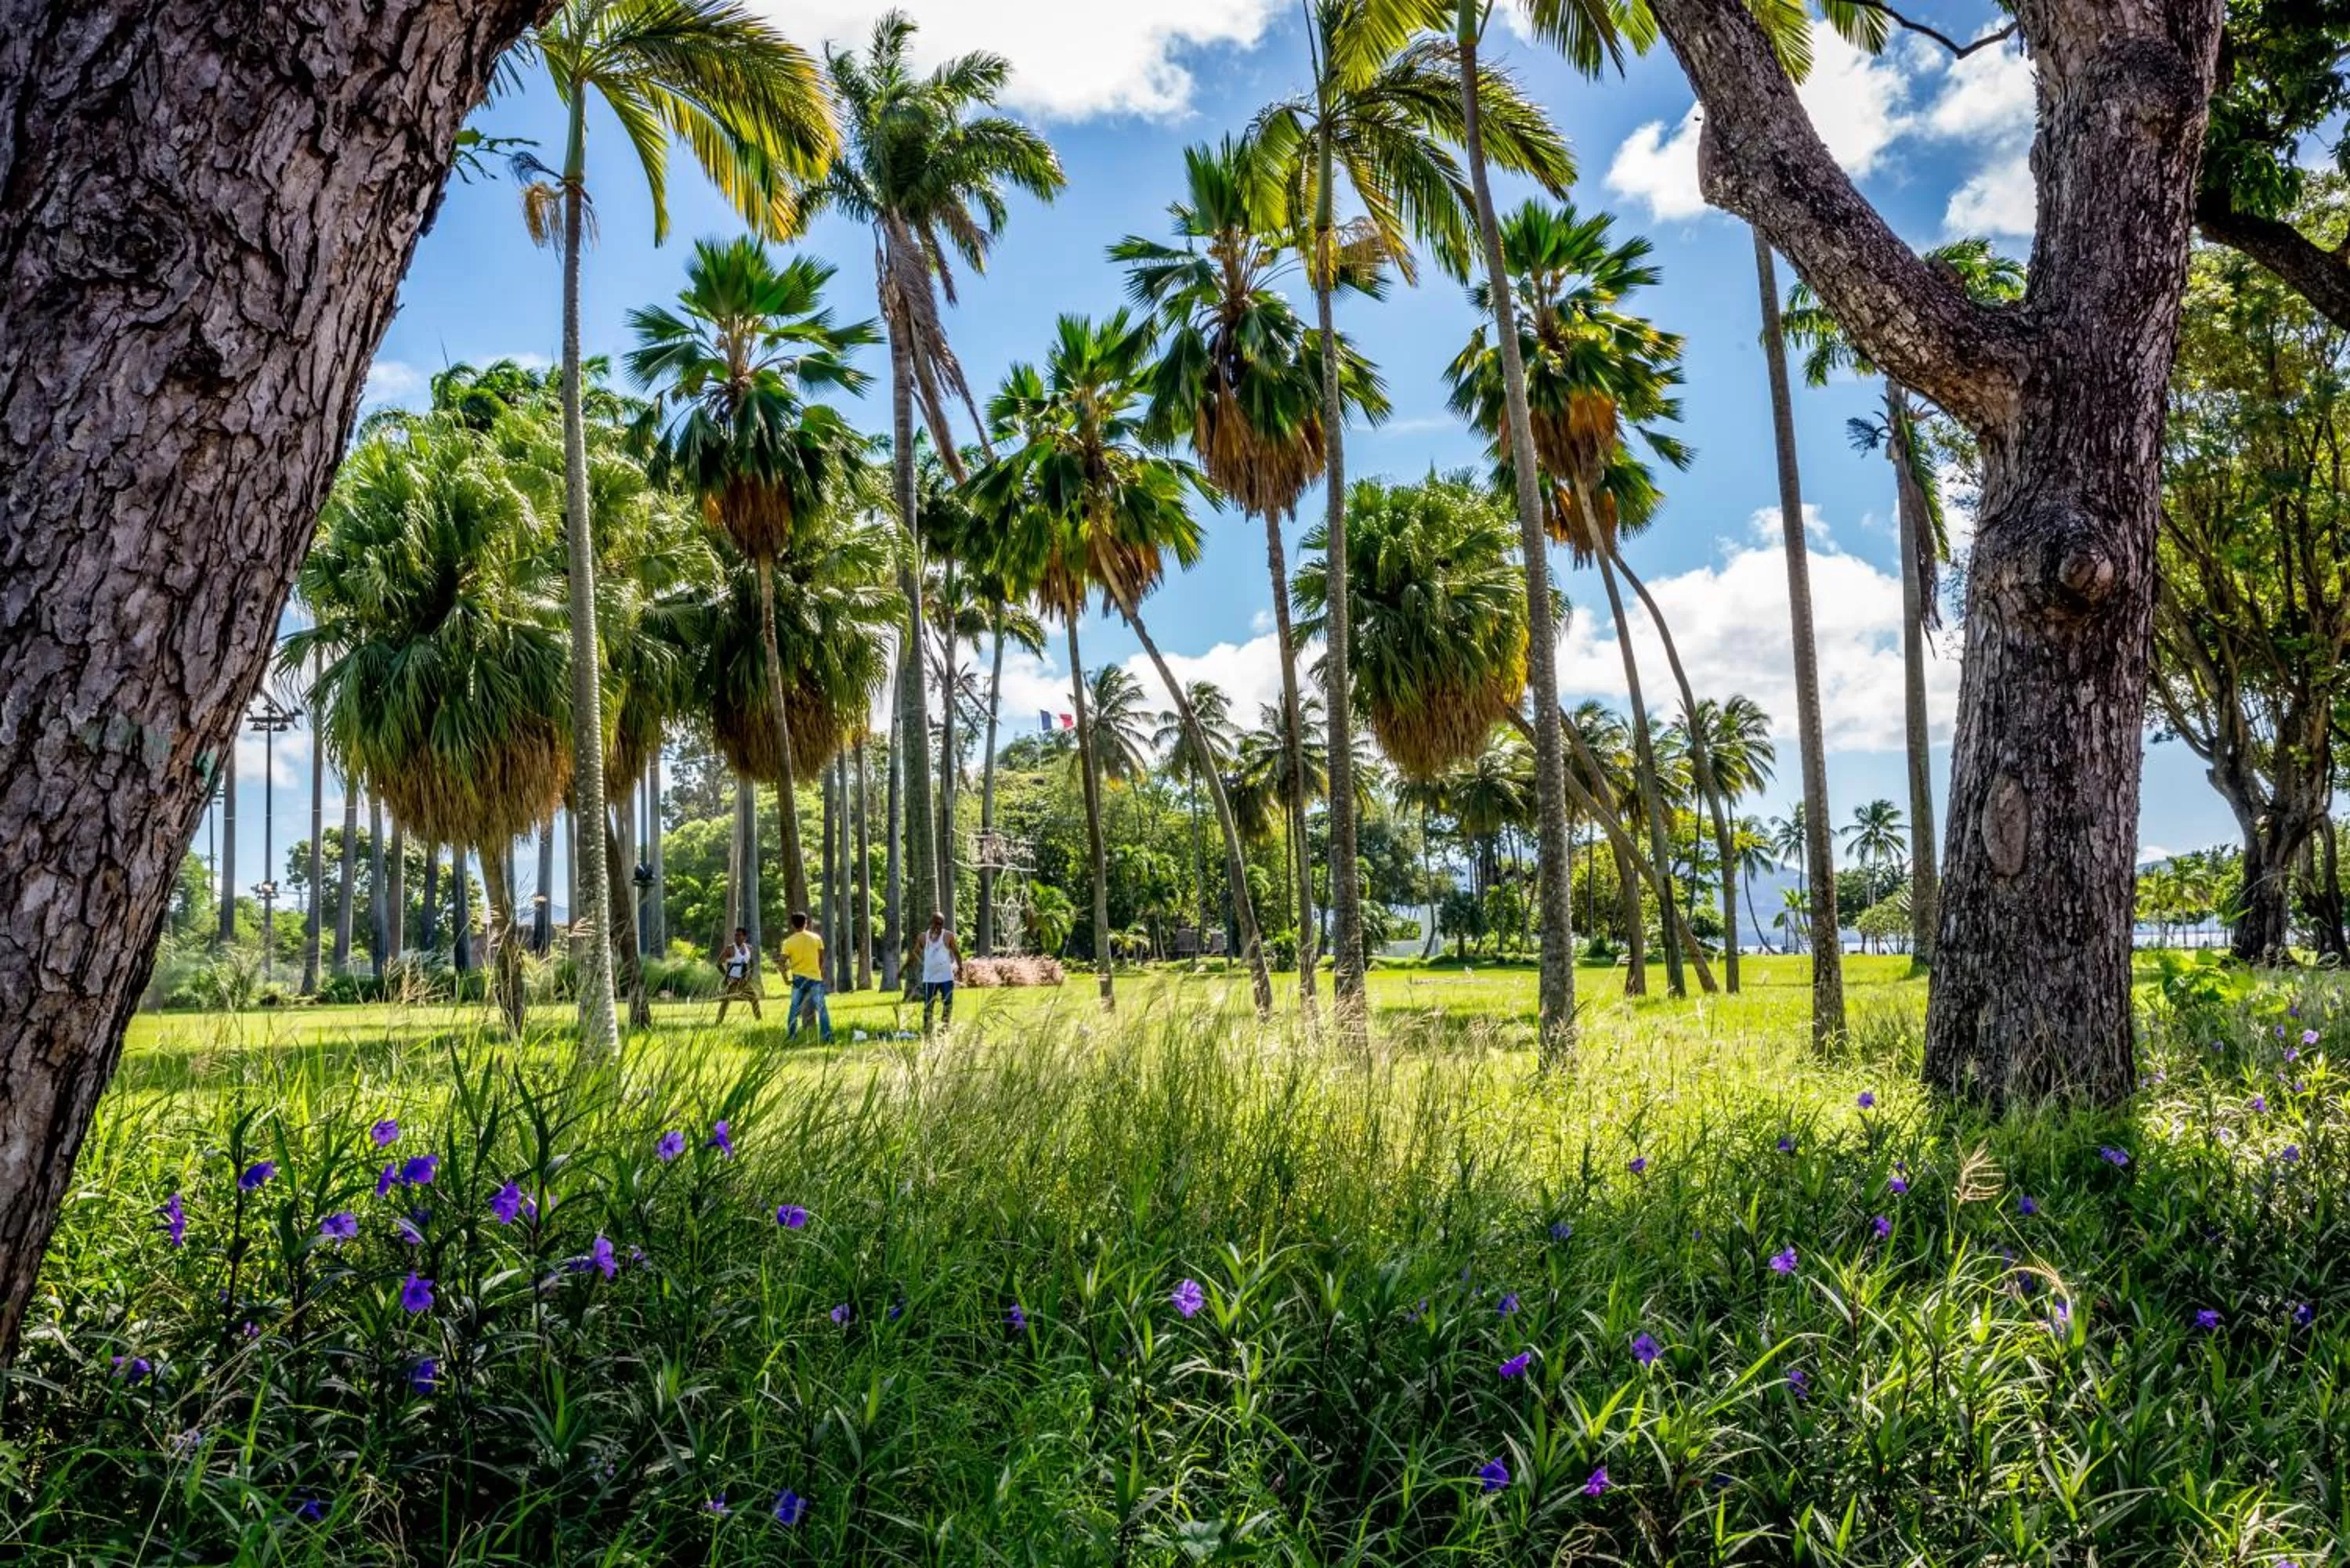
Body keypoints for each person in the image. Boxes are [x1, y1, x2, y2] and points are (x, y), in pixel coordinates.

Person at [781, 909, 832, 1044]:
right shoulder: (816, 938)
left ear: (793, 925)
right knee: (821, 1009)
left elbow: (782, 962)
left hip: (798, 979)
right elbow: (821, 958)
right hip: (815, 978)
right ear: (806, 923)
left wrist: (785, 978)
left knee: (794, 1008)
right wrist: (819, 971)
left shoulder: (788, 942)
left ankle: (792, 1036)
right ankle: (827, 1037)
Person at [914, 910, 962, 1034]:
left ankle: (944, 1028)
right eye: (936, 923)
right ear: (931, 923)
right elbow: (915, 952)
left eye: (941, 924)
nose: (938, 927)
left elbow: (956, 952)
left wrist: (960, 968)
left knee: (948, 1003)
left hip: (946, 977)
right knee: (928, 1005)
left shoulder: (948, 936)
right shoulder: (923, 937)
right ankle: (927, 1029)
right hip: (929, 978)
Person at [715, 927, 760, 1022]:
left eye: (739, 935)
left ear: (745, 937)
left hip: (744, 981)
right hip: (733, 981)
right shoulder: (730, 949)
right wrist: (728, 976)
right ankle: (718, 1022)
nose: (737, 937)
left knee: (754, 999)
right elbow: (718, 964)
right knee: (726, 1002)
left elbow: (751, 963)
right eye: (736, 935)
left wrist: (750, 976)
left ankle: (759, 1020)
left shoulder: (749, 948)